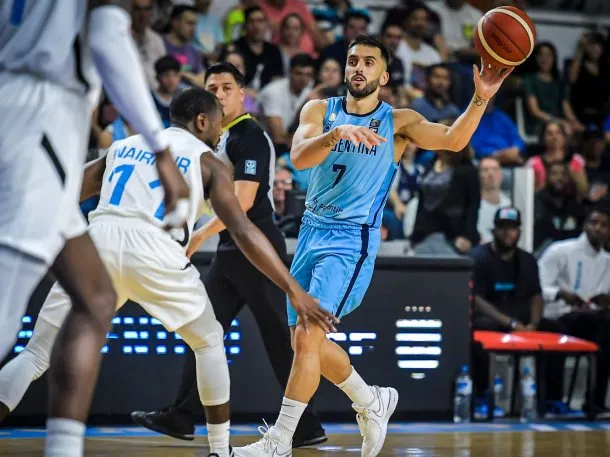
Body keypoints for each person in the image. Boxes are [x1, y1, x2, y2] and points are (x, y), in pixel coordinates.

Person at [0, 88, 334, 450]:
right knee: (208, 342)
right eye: (218, 124)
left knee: (35, 354)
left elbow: (66, 189)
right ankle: (221, 449)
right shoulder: (208, 161)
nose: (221, 133)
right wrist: (293, 290)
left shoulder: (124, 145)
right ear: (202, 121)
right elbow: (242, 229)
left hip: (98, 244)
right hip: (155, 249)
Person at [234, 34, 512, 457]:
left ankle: (279, 441)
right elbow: (300, 157)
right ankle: (370, 400)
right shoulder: (318, 110)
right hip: (311, 231)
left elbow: (453, 141)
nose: (358, 68)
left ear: (384, 75)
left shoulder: (397, 122)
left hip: (351, 239)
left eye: (368, 62)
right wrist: (336, 134)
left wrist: (479, 98)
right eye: (352, 61)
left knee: (310, 334)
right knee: (304, 344)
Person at [0, 2, 190, 456]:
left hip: (29, 114)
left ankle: (64, 449)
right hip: (39, 113)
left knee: (96, 296)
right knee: (5, 309)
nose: (144, 11)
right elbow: (107, 35)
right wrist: (160, 149)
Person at [129, 64, 327, 448]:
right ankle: (182, 415)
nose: (218, 93)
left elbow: (244, 201)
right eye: (211, 88)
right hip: (230, 250)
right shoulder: (208, 139)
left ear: (242, 94)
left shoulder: (249, 134)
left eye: (226, 87)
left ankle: (305, 424)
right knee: (202, 330)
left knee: (278, 337)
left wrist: (198, 235)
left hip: (256, 245)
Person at [469, 207, 562, 417]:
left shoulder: (528, 260)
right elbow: (476, 299)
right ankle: (483, 394)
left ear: (519, 231)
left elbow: (536, 296)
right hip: (494, 318)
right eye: (502, 228)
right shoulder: (479, 257)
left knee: (555, 329)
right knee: (482, 332)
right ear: (494, 230)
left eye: (512, 228)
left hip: (523, 321)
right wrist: (510, 324)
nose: (507, 233)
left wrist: (534, 325)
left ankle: (552, 399)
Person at [538, 205, 610, 414]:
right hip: (557, 314)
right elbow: (538, 287)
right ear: (585, 225)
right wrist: (562, 294)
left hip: (593, 320)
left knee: (606, 327)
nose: (598, 229)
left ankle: (595, 399)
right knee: (601, 324)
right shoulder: (560, 250)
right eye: (594, 223)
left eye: (605, 225)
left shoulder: (607, 261)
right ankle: (554, 400)